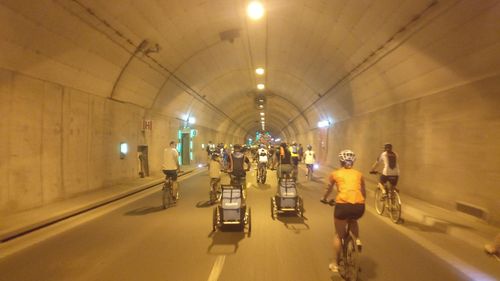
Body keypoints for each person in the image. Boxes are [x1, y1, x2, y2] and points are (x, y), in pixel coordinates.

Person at [321, 149, 366, 272]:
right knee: (353, 220)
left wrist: (324, 198)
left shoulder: (335, 174)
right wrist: (361, 201)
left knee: (338, 235)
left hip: (343, 205)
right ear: (353, 162)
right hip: (359, 206)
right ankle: (357, 240)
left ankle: (335, 263)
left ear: (341, 161)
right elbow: (363, 191)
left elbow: (328, 189)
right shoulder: (359, 174)